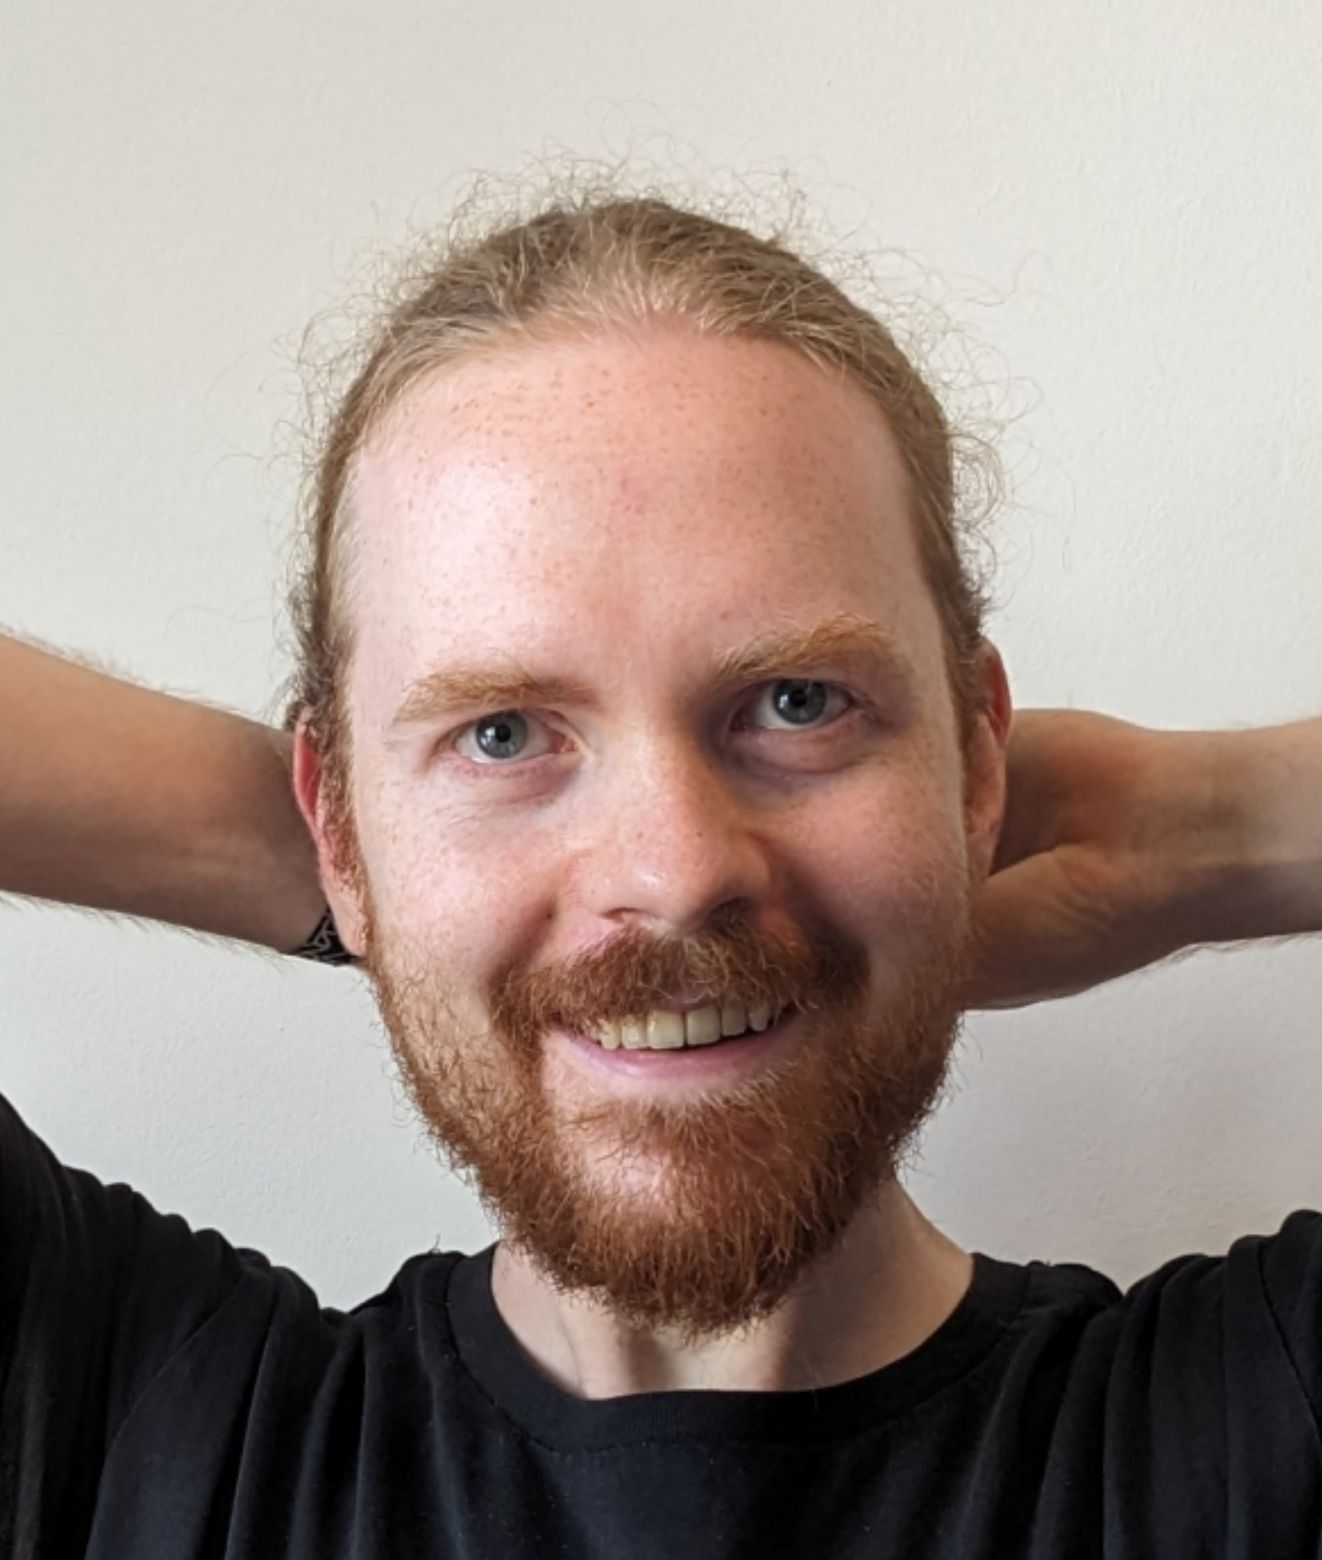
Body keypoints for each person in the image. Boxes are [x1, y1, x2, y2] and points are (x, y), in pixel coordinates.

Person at [1, 193, 1319, 1558]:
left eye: (797, 703)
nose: (675, 871)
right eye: (501, 732)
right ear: (333, 813)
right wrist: (365, 876)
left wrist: (1205, 825)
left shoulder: (1256, 1438)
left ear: (972, 761)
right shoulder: (135, 1430)